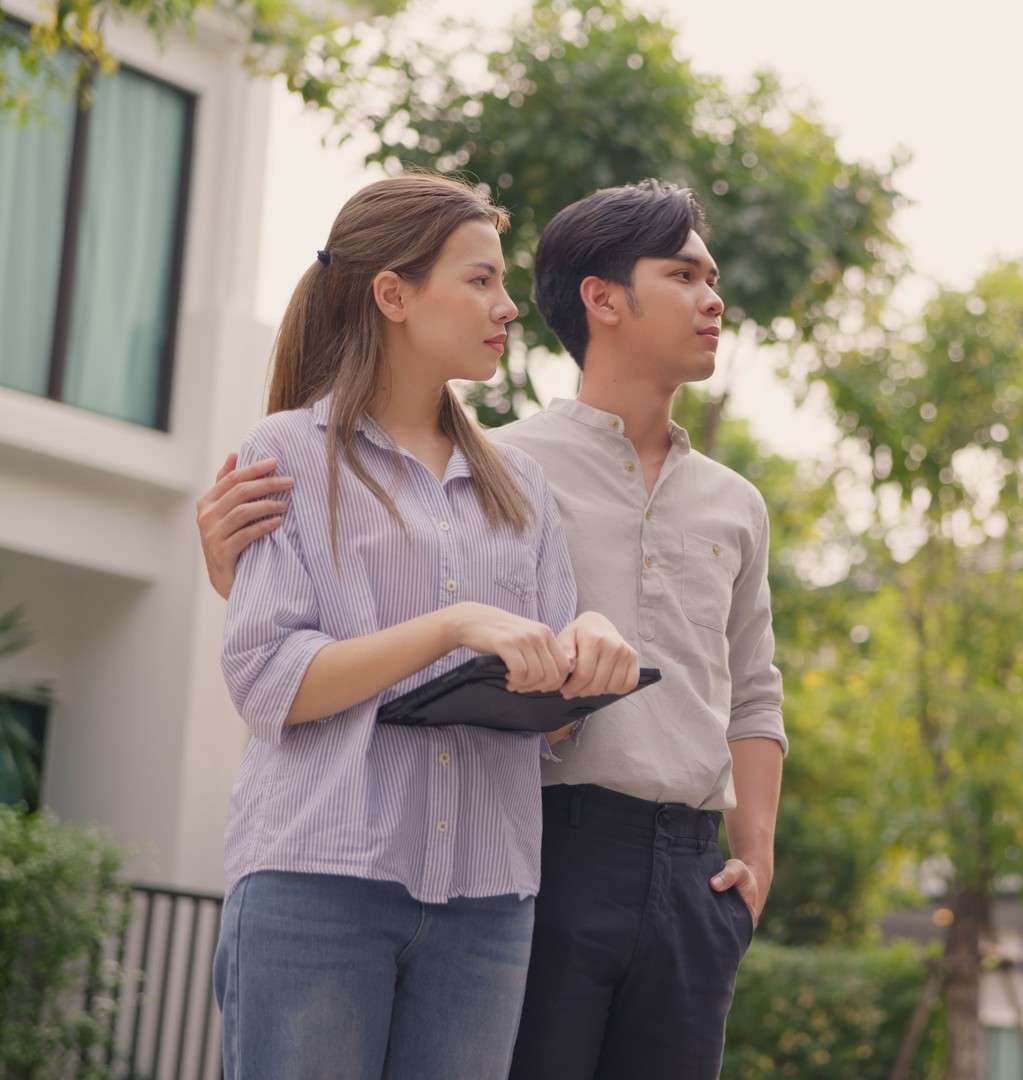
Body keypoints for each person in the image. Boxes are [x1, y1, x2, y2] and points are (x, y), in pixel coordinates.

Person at [198, 179, 785, 1080]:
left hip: (490, 894)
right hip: (331, 871)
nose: (505, 306)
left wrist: (578, 662)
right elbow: (271, 680)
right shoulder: (293, 452)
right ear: (393, 294)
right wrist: (453, 626)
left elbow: (558, 723)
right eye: (479, 281)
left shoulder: (516, 491)